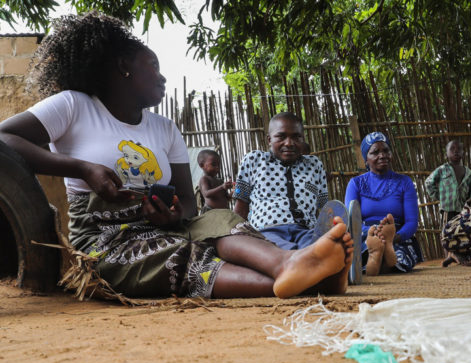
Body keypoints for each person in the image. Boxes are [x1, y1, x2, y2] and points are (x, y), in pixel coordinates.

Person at [0, 12, 352, 299]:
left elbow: (188, 203)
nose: (163, 76)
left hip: (167, 229)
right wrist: (80, 167)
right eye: (152, 65)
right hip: (107, 241)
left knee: (221, 220)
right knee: (177, 257)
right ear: (123, 66)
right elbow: (5, 138)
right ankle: (318, 282)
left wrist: (172, 217)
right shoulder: (74, 106)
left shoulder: (165, 128)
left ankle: (288, 263)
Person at [232, 112, 329, 250]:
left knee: (323, 248)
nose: (289, 143)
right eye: (281, 136)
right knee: (282, 252)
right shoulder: (254, 160)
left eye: (296, 137)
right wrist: (236, 238)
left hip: (307, 232)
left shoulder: (314, 165)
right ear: (269, 139)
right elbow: (241, 207)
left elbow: (321, 209)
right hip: (267, 231)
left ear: (303, 139)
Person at [345, 131, 422, 276]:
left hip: (398, 236)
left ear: (391, 154)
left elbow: (412, 222)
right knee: (366, 248)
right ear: (366, 159)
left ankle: (380, 256)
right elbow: (352, 221)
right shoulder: (356, 184)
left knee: (397, 253)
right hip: (366, 235)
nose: (382, 155)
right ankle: (379, 252)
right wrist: (373, 234)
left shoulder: (404, 182)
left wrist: (393, 237)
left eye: (386, 150)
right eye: (375, 152)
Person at [424, 140, 471, 224]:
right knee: (447, 234)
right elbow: (428, 182)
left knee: (462, 234)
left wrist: (469, 209)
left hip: (463, 212)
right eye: (452, 149)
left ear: (463, 152)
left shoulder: (469, 173)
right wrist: (440, 196)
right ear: (446, 154)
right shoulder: (442, 169)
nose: (456, 151)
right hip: (447, 211)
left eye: (459, 149)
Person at [196, 149, 233, 213]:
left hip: (223, 212)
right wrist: (222, 187)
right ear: (202, 165)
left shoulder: (220, 181)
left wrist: (233, 193)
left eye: (218, 165)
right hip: (210, 212)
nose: (217, 167)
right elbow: (206, 194)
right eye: (213, 164)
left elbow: (227, 198)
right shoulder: (204, 179)